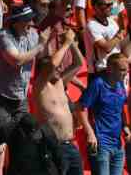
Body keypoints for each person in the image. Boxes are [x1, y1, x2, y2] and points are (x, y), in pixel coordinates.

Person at [0, 6, 52, 136]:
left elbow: (42, 56)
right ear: (16, 22)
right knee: (2, 136)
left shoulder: (31, 34)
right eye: (27, 20)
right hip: (2, 96)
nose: (31, 23)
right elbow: (16, 61)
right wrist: (40, 45)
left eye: (32, 19)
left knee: (27, 136)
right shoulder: (4, 36)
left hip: (21, 96)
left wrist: (47, 43)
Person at [34, 28, 84, 175]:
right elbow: (52, 65)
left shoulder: (60, 83)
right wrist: (67, 43)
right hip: (52, 146)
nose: (58, 69)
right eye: (55, 69)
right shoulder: (40, 86)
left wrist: (72, 43)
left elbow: (79, 63)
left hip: (70, 145)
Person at [79, 52, 129, 175]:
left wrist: (125, 127)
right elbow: (80, 108)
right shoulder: (98, 84)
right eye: (122, 70)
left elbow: (120, 108)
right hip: (101, 143)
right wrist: (90, 133)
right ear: (110, 69)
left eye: (127, 69)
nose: (126, 73)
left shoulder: (120, 84)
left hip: (118, 143)